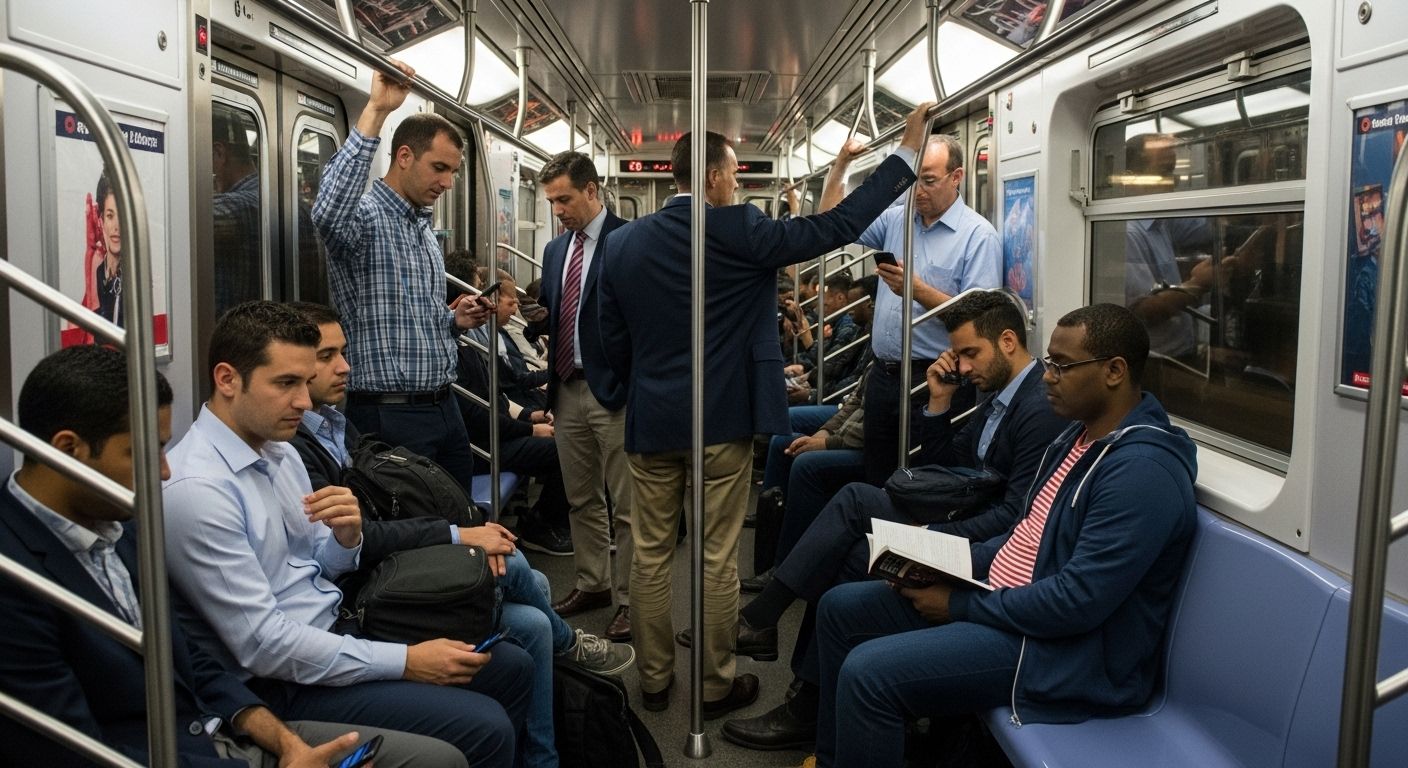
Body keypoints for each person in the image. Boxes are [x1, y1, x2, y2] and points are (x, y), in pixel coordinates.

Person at [596, 100, 934, 716]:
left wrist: (627, 393)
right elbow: (834, 228)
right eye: (732, 176)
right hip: (722, 420)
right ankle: (717, 684)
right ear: (715, 178)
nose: (735, 185)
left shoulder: (622, 244)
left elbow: (606, 337)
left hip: (650, 421)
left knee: (647, 554)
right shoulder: (738, 230)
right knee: (714, 557)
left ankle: (652, 681)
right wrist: (904, 155)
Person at [0, 345, 466, 767]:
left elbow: (188, 659)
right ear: (67, 450)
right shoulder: (18, 576)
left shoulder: (116, 524)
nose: (164, 471)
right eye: (144, 452)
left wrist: (284, 743)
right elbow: (72, 750)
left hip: (222, 723)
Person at [809, 303, 1198, 768]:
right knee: (840, 609)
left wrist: (957, 604)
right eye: (1049, 363)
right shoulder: (1076, 439)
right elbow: (1024, 538)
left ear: (1114, 371)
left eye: (1061, 366)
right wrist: (944, 559)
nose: (1048, 376)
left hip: (1062, 650)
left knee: (868, 675)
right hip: (1008, 600)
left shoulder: (1142, 472)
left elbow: (1077, 602)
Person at [163, 301, 532, 768]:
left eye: (303, 382)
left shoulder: (279, 453)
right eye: (285, 384)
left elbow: (318, 564)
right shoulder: (199, 491)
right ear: (227, 379)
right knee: (484, 726)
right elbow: (263, 645)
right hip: (287, 684)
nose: (303, 401)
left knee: (512, 667)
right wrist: (406, 660)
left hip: (337, 626)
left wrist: (346, 538)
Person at [288, 301, 634, 768]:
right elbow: (356, 540)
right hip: (361, 594)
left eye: (343, 352)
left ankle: (541, 754)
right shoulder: (295, 449)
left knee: (527, 606)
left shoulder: (334, 423)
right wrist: (456, 536)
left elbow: (379, 506)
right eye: (327, 356)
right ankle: (565, 650)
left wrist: (463, 532)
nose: (346, 367)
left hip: (378, 563)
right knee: (515, 572)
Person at [721, 289, 1069, 751]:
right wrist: (939, 404)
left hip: (982, 543)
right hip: (963, 512)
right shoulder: (995, 394)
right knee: (849, 545)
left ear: (1008, 341)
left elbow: (1013, 516)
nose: (962, 367)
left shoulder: (1037, 411)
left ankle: (782, 653)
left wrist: (929, 539)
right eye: (959, 355)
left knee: (856, 501)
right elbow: (952, 467)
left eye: (970, 354)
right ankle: (806, 692)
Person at [311, 59, 489, 492]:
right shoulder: (365, 219)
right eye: (439, 168)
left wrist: (454, 319)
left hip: (444, 405)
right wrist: (376, 110)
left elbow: (413, 317)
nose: (447, 183)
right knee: (419, 536)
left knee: (460, 523)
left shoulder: (424, 231)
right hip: (387, 413)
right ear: (404, 156)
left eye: (453, 172)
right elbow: (327, 211)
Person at [821, 133, 1002, 485]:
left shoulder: (978, 236)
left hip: (936, 379)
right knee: (877, 477)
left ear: (957, 177)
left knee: (922, 482)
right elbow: (833, 218)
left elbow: (983, 320)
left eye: (929, 180)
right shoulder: (896, 220)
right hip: (883, 377)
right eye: (913, 180)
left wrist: (916, 290)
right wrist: (841, 165)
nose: (918, 191)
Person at [532, 150, 635, 643]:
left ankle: (633, 600)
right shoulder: (556, 252)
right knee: (581, 499)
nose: (558, 210)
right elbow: (560, 312)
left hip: (613, 388)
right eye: (552, 201)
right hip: (567, 388)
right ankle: (593, 582)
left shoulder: (629, 241)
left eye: (565, 199)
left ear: (592, 191)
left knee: (628, 504)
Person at [92, 171, 123, 327]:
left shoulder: (135, 279)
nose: (116, 227)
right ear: (101, 220)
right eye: (110, 216)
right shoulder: (99, 273)